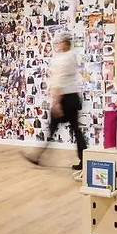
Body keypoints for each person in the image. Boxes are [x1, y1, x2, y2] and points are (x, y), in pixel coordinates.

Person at [25, 32, 87, 178]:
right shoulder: (72, 57)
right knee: (76, 131)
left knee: (52, 129)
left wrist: (57, 103)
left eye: (60, 42)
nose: (58, 44)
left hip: (64, 99)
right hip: (73, 97)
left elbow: (59, 82)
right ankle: (84, 160)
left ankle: (37, 156)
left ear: (65, 44)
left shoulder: (62, 60)